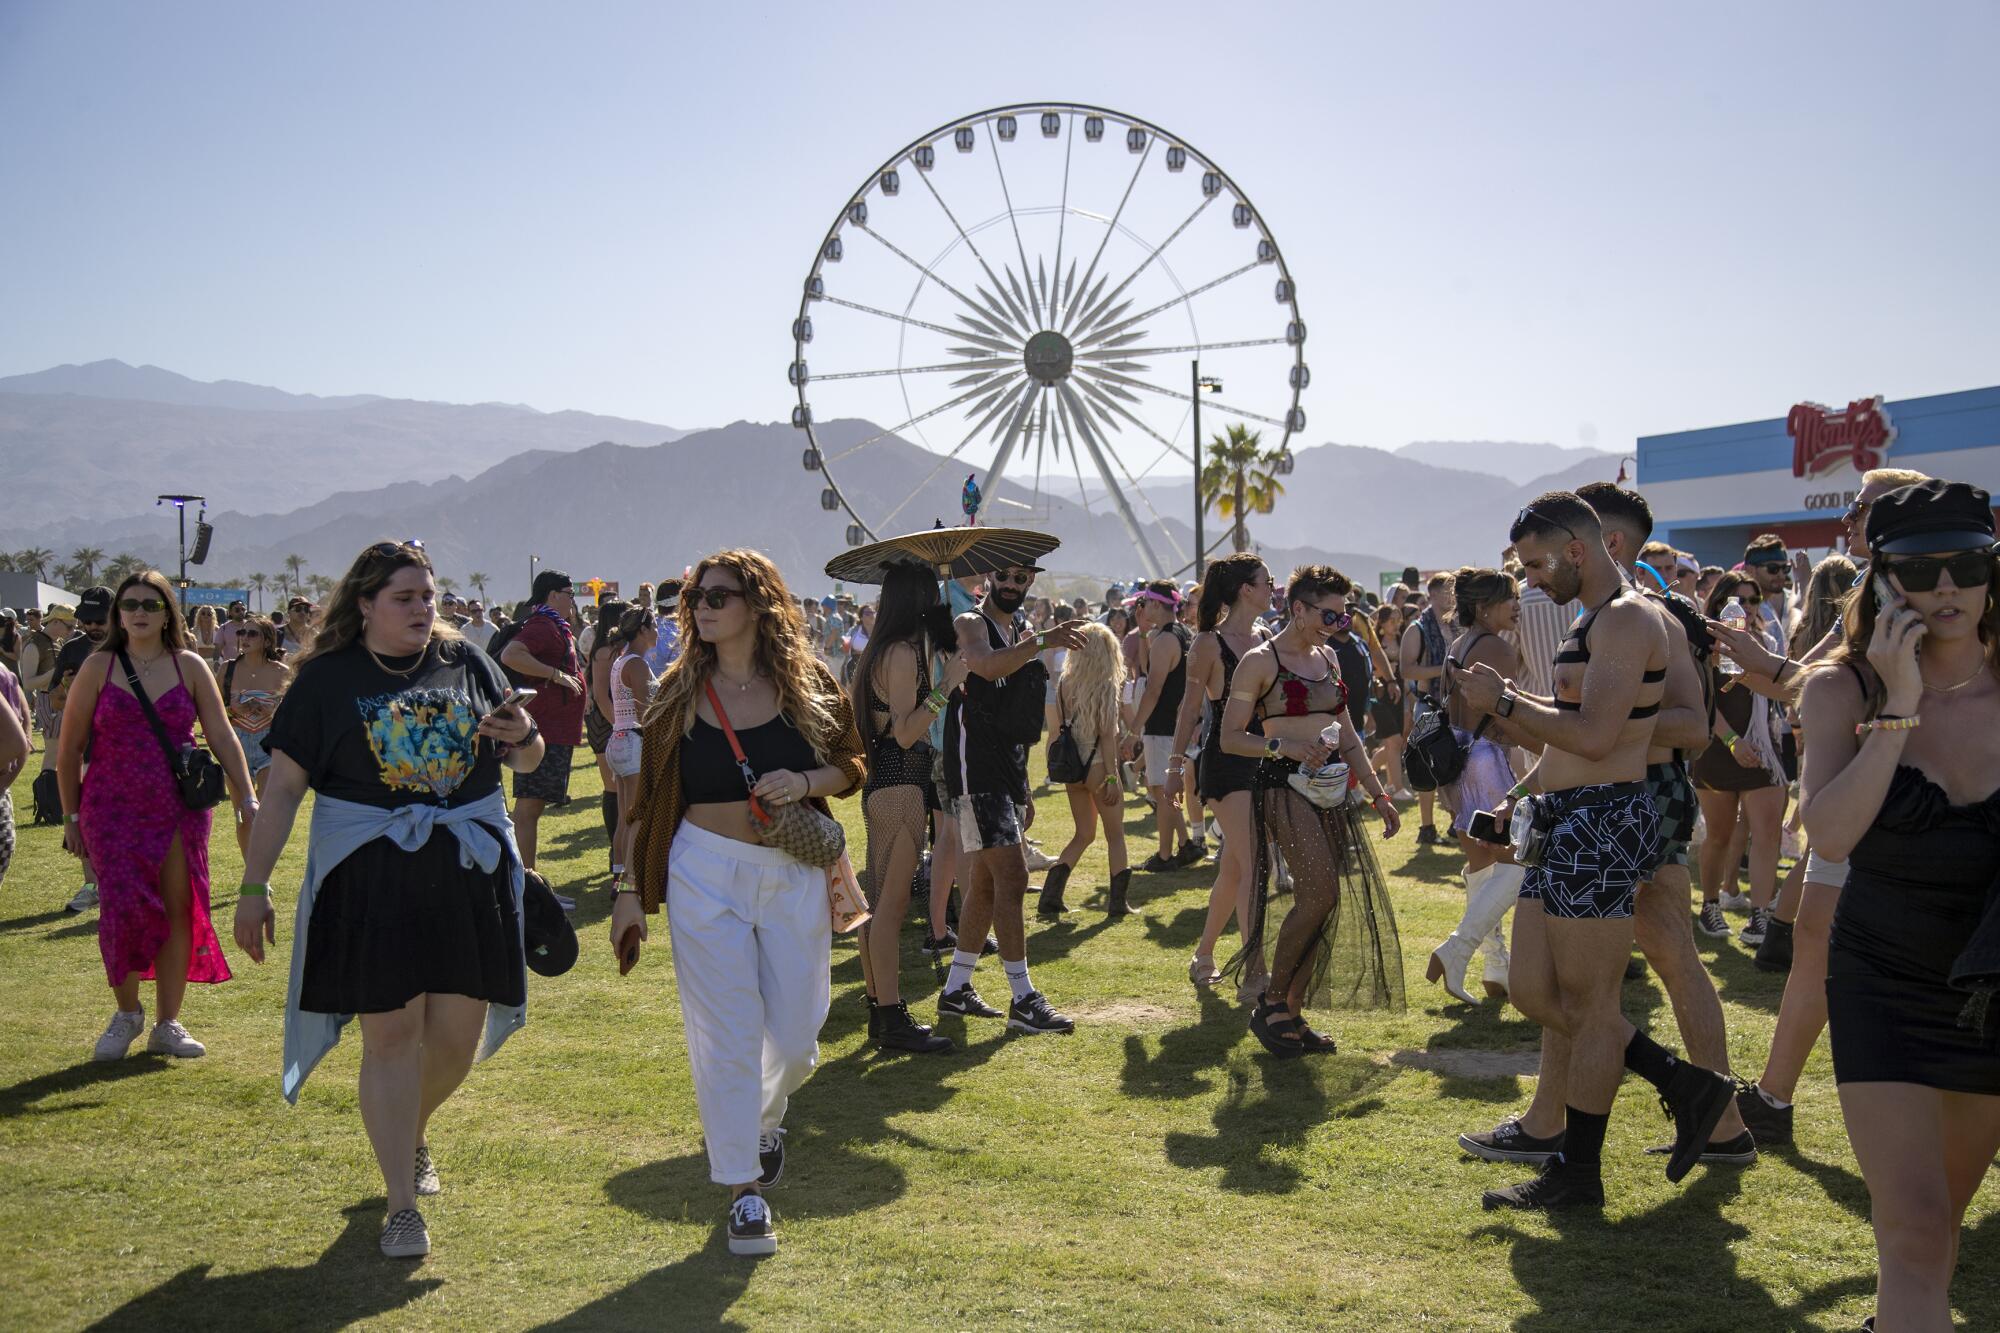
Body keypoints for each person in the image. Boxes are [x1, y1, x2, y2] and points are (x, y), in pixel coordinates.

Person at [231, 540, 540, 1259]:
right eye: (405, 598)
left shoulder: (466, 659)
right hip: (371, 878)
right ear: (365, 605)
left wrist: (522, 735)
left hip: (467, 869)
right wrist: (253, 886)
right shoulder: (325, 680)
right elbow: (281, 792)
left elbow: (523, 756)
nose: (423, 609)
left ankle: (411, 1130)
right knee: (392, 1037)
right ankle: (401, 1202)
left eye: (429, 595)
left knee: (459, 1038)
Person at [1454, 494, 1734, 1210]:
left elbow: (1599, 735)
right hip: (1568, 817)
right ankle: (1683, 1083)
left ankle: (1580, 1171)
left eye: (1538, 564)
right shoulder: (1593, 621)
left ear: (1579, 549)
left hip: (1606, 820)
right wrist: (1517, 797)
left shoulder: (1632, 618)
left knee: (1591, 1000)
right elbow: (1567, 739)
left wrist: (1504, 701)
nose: (1531, 582)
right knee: (1532, 991)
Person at [619, 549, 866, 1257]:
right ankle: (744, 1192)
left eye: (721, 595)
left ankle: (761, 1122)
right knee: (727, 1032)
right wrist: (627, 890)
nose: (704, 604)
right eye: (697, 594)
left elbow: (853, 765)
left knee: (795, 1036)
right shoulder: (675, 691)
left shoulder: (807, 682)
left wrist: (803, 777)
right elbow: (637, 804)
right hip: (703, 870)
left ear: (758, 605)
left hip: (789, 868)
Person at [1798, 481, 2000, 1327]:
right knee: (1914, 1233)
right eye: (1923, 569)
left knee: (1940, 1227)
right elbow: (1833, 835)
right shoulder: (1840, 692)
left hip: (1991, 989)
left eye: (1967, 564)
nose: (1946, 587)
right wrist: (1902, 706)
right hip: (1884, 979)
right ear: (1885, 580)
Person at [58, 570, 258, 1062]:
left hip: (177, 808)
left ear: (168, 610)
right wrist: (71, 816)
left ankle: (168, 1023)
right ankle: (127, 1013)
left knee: (178, 910)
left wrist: (246, 795)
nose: (140, 612)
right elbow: (69, 749)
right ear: (118, 613)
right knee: (122, 908)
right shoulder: (97, 667)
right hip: (111, 807)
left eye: (151, 603)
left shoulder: (189, 665)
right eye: (131, 604)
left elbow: (222, 734)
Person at [1219, 565, 1402, 1055]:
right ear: (1297, 608)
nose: (1337, 624)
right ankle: (1272, 1003)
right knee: (1319, 892)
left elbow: (1349, 736)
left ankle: (1292, 1012)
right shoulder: (1260, 660)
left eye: (1343, 617)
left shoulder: (1328, 658)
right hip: (1283, 787)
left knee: (1325, 899)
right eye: (1328, 614)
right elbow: (1230, 737)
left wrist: (1378, 792)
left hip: (1333, 789)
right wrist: (1284, 747)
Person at [934, 565, 1087, 1035]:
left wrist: (1022, 787)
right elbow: (984, 664)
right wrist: (1041, 642)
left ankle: (957, 987)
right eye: (1007, 576)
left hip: (1006, 772)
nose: (1013, 585)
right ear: (990, 578)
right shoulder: (971, 624)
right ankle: (1023, 997)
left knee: (983, 881)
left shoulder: (1018, 629)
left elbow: (1017, 714)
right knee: (1013, 875)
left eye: (1023, 579)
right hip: (974, 771)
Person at [851, 562, 962, 1054]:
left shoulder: (890, 650)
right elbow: (903, 731)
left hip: (890, 788)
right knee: (889, 910)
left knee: (877, 909)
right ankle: (892, 1017)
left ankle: (881, 1011)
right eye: (933, 592)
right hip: (900, 789)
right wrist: (946, 687)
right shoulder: (898, 654)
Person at [1424, 567, 1529, 1005]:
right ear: (1485, 607)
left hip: (1460, 763)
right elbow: (1509, 715)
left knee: (1483, 869)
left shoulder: (1459, 645)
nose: (1518, 606)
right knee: (1518, 865)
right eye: (1511, 599)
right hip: (1487, 759)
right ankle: (1457, 949)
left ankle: (1496, 968)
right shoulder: (1495, 649)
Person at [1169, 554, 1270, 987]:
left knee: (1234, 867)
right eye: (1267, 581)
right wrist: (1174, 765)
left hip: (1263, 759)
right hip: (1225, 764)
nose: (1273, 588)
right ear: (1246, 590)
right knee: (1254, 865)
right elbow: (1189, 709)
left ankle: (1204, 954)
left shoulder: (1267, 636)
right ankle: (1254, 971)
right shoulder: (1208, 644)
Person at [1692, 574, 1787, 940]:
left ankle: (1760, 914)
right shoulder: (1703, 648)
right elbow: (1704, 703)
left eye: (1752, 600)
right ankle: (1711, 904)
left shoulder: (1764, 646)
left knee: (1767, 835)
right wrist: (1732, 741)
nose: (1746, 607)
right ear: (1719, 604)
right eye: (1737, 600)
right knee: (1719, 834)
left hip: (1764, 750)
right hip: (1718, 750)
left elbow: (1781, 689)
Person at [1041, 622, 1130, 919]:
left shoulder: (1065, 682)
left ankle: (1050, 896)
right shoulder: (1105, 685)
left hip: (1072, 767)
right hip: (1097, 766)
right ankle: (1118, 904)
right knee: (1115, 835)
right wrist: (1112, 777)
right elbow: (1108, 736)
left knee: (1083, 834)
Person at [499, 570, 586, 874]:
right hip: (543, 731)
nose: (573, 600)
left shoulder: (554, 625)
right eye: (569, 593)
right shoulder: (543, 625)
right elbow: (512, 655)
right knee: (528, 808)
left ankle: (527, 878)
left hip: (553, 731)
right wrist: (555, 674)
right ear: (553, 596)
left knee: (532, 807)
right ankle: (526, 882)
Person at [50, 590, 114, 914]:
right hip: (83, 751)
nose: (92, 626)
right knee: (86, 823)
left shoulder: (128, 649)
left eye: (98, 620)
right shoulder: (73, 650)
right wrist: (67, 688)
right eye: (86, 620)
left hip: (120, 754)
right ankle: (93, 885)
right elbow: (55, 701)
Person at [1124, 579, 1195, 872]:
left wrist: (1132, 732)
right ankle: (1185, 844)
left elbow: (1152, 689)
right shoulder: (1179, 633)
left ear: (1155, 603)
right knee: (1164, 790)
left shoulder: (1166, 639)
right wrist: (1142, 633)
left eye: (1145, 603)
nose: (1141, 609)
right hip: (1174, 724)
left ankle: (1165, 855)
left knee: (1161, 791)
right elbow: (1147, 667)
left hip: (1163, 724)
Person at [223, 615, 292, 857]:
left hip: (268, 747)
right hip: (235, 747)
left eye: (252, 634)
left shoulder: (283, 672)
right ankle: (249, 871)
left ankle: (259, 874)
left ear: (267, 640)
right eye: (242, 633)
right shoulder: (226, 669)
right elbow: (211, 711)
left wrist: (273, 713)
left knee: (262, 814)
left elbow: (295, 713)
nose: (244, 638)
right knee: (244, 816)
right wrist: (233, 709)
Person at [1400, 572, 1457, 844]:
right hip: (1428, 705)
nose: (1451, 596)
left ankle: (1457, 822)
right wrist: (1444, 670)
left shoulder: (1459, 625)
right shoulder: (1418, 628)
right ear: (1432, 595)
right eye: (1446, 591)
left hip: (1456, 704)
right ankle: (1426, 827)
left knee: (1455, 763)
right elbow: (1407, 669)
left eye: (1453, 591)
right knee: (1426, 767)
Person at [585, 599, 632, 868]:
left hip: (615, 722)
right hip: (606, 725)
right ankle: (615, 853)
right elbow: (602, 697)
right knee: (613, 789)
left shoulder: (617, 649)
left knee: (621, 789)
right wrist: (621, 726)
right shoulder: (604, 652)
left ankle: (621, 851)